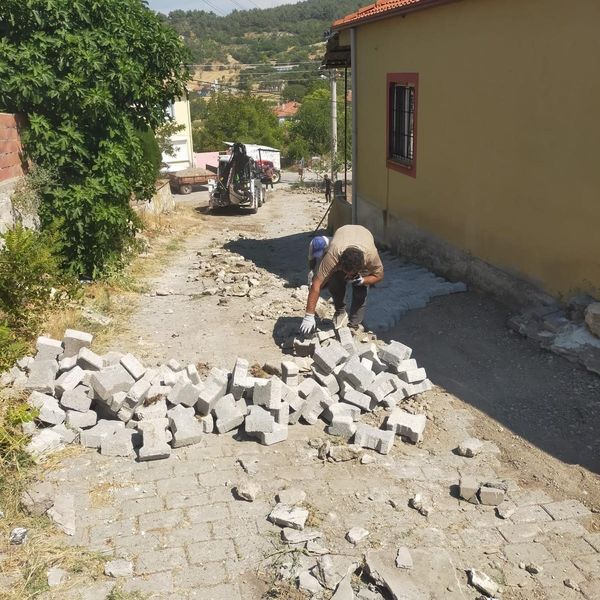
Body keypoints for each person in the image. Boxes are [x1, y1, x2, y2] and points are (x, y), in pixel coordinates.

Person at [299, 225, 384, 334]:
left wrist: (364, 280)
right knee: (335, 281)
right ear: (340, 262)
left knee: (360, 290)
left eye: (351, 274)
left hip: (364, 235)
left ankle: (354, 325)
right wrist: (309, 315)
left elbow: (379, 276)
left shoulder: (371, 256)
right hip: (343, 234)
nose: (348, 276)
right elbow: (316, 285)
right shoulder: (333, 255)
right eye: (346, 272)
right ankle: (340, 312)